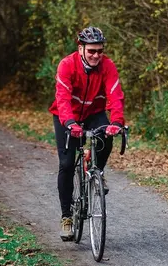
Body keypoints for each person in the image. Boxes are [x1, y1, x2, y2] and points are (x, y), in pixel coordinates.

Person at [49, 26, 125, 241]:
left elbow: (115, 95)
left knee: (107, 135)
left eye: (99, 51)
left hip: (94, 112)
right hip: (67, 115)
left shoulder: (107, 66)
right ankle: (66, 217)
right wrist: (70, 122)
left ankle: (97, 172)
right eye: (91, 51)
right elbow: (62, 98)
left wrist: (117, 121)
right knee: (66, 164)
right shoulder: (67, 65)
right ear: (80, 48)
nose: (96, 55)